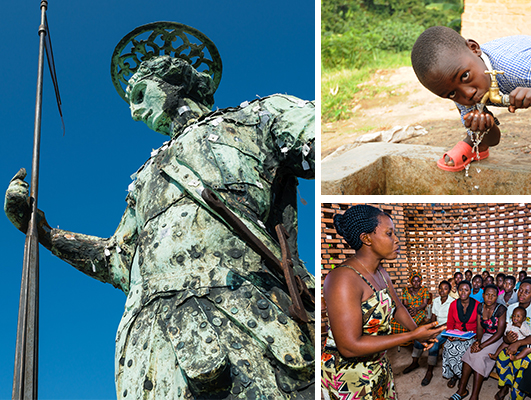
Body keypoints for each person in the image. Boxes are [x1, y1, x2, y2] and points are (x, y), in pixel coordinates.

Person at [5, 24, 315, 399]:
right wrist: (43, 232)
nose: (135, 113)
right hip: (150, 346)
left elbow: (321, 141)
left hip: (248, 318)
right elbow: (116, 259)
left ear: (174, 80)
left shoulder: (258, 118)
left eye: (139, 94)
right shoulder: (143, 181)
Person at [411, 26, 531, 174]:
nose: (467, 94)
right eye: (451, 94)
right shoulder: (455, 80)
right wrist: (484, 128)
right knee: (475, 124)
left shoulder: (522, 68)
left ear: (474, 49)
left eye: (465, 76)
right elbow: (494, 140)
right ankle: (477, 144)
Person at [321, 205, 445, 399]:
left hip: (377, 365)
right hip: (349, 376)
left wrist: (419, 335)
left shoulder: (381, 273)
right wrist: (411, 335)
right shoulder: (343, 279)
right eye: (389, 233)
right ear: (366, 238)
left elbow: (397, 307)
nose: (397, 240)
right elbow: (349, 346)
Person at [494, 279, 531, 400]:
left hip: (529, 343)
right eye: (520, 290)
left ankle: (516, 393)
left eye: (527, 292)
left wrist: (518, 343)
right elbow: (506, 331)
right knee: (502, 358)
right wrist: (507, 339)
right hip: (513, 342)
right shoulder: (511, 308)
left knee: (522, 364)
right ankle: (505, 386)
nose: (522, 294)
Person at [452, 285, 507, 400]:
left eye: (493, 295)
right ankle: (461, 390)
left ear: (496, 297)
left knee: (479, 357)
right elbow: (479, 327)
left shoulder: (501, 309)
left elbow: (500, 332)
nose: (490, 297)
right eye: (487, 294)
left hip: (497, 339)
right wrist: (478, 342)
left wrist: (482, 346)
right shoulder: (480, 307)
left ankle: (474, 396)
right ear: (483, 295)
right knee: (469, 352)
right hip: (485, 337)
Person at [409, 280, 454, 385]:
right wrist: (430, 327)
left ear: (449, 290)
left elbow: (451, 321)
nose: (442, 291)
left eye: (445, 289)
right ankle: (414, 362)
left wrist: (437, 329)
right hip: (436, 326)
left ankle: (429, 371)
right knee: (419, 337)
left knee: (435, 342)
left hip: (446, 328)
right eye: (441, 288)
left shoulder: (452, 302)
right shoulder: (436, 300)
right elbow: (433, 317)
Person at [442, 281, 479, 389]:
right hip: (456, 333)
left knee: (462, 349)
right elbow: (450, 323)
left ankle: (463, 377)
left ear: (470, 291)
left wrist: (473, 336)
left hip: (472, 335)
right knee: (448, 346)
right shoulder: (453, 304)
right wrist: (450, 334)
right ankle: (455, 374)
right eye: (461, 289)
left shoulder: (477, 305)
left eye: (466, 290)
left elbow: (479, 325)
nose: (463, 292)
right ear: (457, 291)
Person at [391, 271, 432, 337]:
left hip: (420, 310)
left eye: (418, 281)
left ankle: (411, 339)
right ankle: (400, 340)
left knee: (411, 323)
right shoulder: (405, 290)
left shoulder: (424, 289)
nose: (416, 283)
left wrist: (416, 309)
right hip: (408, 310)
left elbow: (424, 303)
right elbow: (405, 304)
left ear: (421, 281)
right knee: (394, 322)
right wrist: (409, 310)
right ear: (410, 281)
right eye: (414, 281)